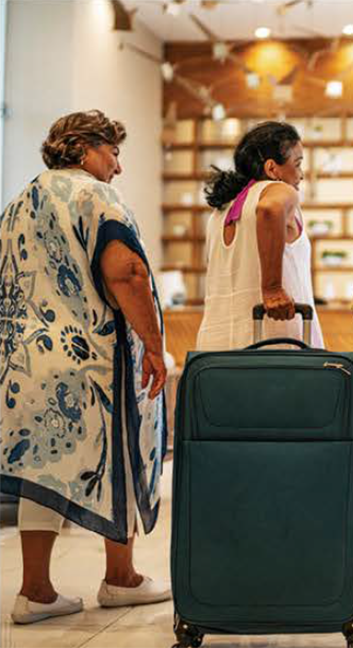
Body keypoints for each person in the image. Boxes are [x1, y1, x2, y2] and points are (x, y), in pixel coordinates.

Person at [0, 110, 171, 624]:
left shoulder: (17, 204)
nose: (118, 167)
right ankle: (121, 578)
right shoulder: (94, 195)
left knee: (44, 469)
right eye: (114, 153)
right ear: (84, 149)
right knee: (117, 455)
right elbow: (128, 272)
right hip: (90, 363)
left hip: (24, 361)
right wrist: (156, 346)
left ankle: (36, 591)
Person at [197, 121, 324, 350]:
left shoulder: (221, 209)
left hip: (216, 348)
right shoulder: (278, 191)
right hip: (274, 344)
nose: (301, 175)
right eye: (297, 164)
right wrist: (272, 288)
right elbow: (270, 209)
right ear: (272, 169)